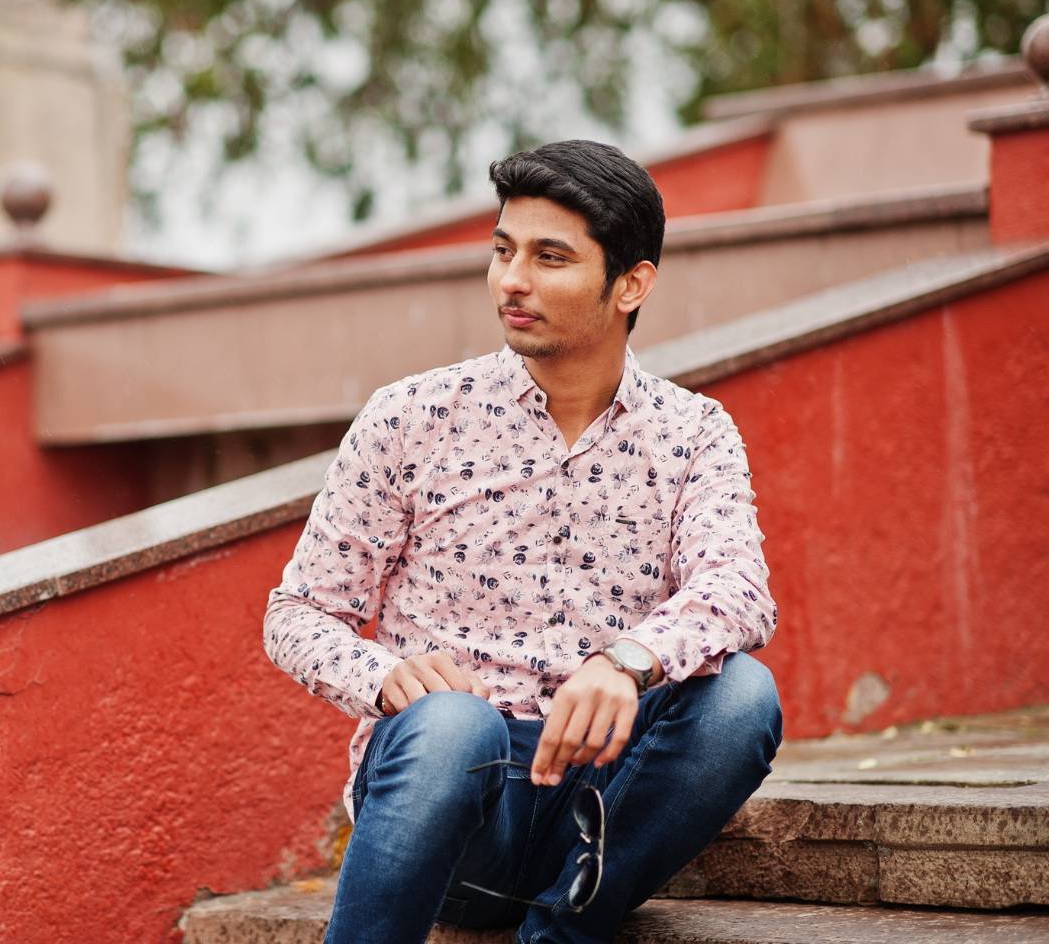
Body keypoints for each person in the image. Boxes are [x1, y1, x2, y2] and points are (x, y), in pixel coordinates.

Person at [263, 139, 781, 944]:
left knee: (742, 697)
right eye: (503, 251)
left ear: (631, 284)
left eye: (550, 257)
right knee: (453, 724)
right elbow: (296, 613)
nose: (512, 279)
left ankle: (560, 934)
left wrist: (626, 662)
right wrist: (387, 676)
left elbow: (739, 589)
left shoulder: (693, 432)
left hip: (602, 804)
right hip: (455, 806)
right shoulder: (412, 417)